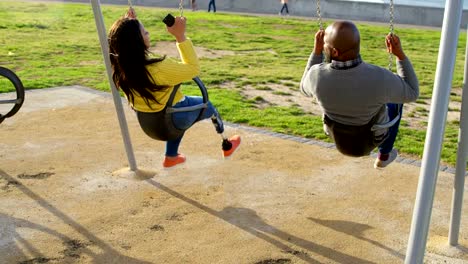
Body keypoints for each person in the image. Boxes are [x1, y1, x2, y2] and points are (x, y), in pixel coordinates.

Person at [108, 8, 241, 168]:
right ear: (137, 42)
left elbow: (121, 44)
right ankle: (226, 144)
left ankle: (171, 156)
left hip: (148, 124)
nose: (148, 32)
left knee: (179, 109)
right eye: (145, 32)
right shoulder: (160, 68)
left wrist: (127, 25)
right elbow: (193, 69)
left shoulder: (121, 68)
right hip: (171, 122)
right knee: (208, 106)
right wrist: (180, 37)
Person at [300, 21, 419, 168]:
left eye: (325, 45)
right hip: (371, 138)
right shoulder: (380, 77)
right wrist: (399, 55)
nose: (323, 48)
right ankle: (384, 154)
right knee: (396, 99)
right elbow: (412, 92)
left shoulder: (316, 75)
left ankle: (384, 153)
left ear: (335, 52)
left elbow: (303, 88)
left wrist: (316, 52)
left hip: (336, 135)